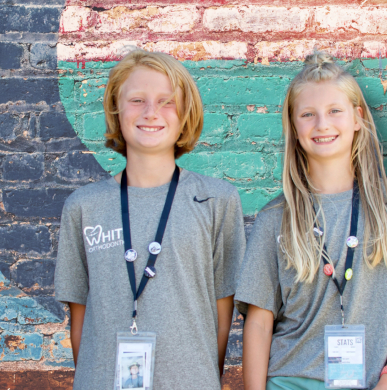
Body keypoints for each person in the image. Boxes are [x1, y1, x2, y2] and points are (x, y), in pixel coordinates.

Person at [236, 52, 387, 390]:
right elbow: (259, 322)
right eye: (308, 114)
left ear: (357, 118)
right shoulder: (275, 217)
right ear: (293, 125)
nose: (322, 124)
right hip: (289, 379)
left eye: (335, 111)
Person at [55, 49, 246, 390]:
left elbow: (222, 317)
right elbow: (79, 319)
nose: (150, 113)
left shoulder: (218, 200)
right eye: (137, 100)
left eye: (166, 102)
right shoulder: (83, 207)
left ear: (186, 113)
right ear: (116, 109)